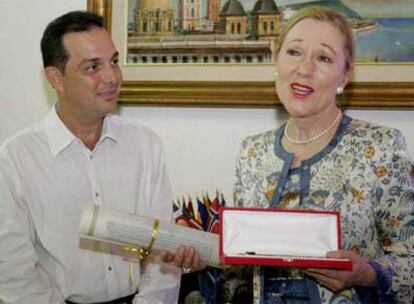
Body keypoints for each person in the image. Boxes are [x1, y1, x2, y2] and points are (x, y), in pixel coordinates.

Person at [0, 11, 201, 304]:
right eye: (93, 67)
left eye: (114, 62)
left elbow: (162, 254)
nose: (112, 77)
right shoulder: (16, 158)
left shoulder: (145, 145)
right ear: (57, 78)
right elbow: (13, 271)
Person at [234, 6, 414, 304]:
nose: (304, 68)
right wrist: (195, 253)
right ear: (275, 59)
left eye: (324, 58)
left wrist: (368, 273)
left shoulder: (380, 146)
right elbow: (242, 264)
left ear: (345, 74)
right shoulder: (252, 152)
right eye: (294, 52)